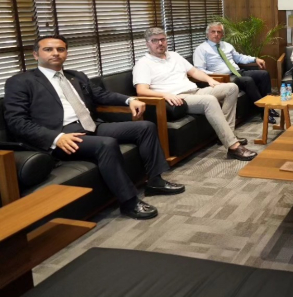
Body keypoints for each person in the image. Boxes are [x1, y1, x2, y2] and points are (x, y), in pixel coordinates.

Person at [3, 35, 185, 220]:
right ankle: (129, 202)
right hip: (61, 136)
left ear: (66, 53)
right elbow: (16, 121)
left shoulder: (76, 76)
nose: (55, 53)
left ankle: (155, 181)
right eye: (48, 49)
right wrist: (55, 138)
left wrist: (129, 100)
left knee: (145, 127)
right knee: (106, 144)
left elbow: (102, 95)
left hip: (89, 126)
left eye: (60, 49)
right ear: (36, 54)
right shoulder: (20, 82)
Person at [133, 27, 256, 161]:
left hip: (195, 91)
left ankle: (227, 134)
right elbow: (141, 90)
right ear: (147, 43)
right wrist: (165, 95)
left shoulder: (174, 56)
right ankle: (233, 147)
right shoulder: (143, 64)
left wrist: (210, 80)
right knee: (209, 100)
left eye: (162, 39)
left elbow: (194, 72)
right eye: (155, 41)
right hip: (177, 98)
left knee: (231, 88)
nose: (160, 43)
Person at [193, 22, 277, 125]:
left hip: (238, 72)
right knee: (247, 80)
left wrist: (255, 59)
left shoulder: (227, 45)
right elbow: (199, 69)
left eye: (219, 32)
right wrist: (216, 75)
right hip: (225, 78)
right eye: (213, 32)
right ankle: (264, 111)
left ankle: (269, 106)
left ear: (222, 34)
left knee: (264, 74)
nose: (216, 34)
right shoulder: (201, 49)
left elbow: (239, 58)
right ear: (207, 34)